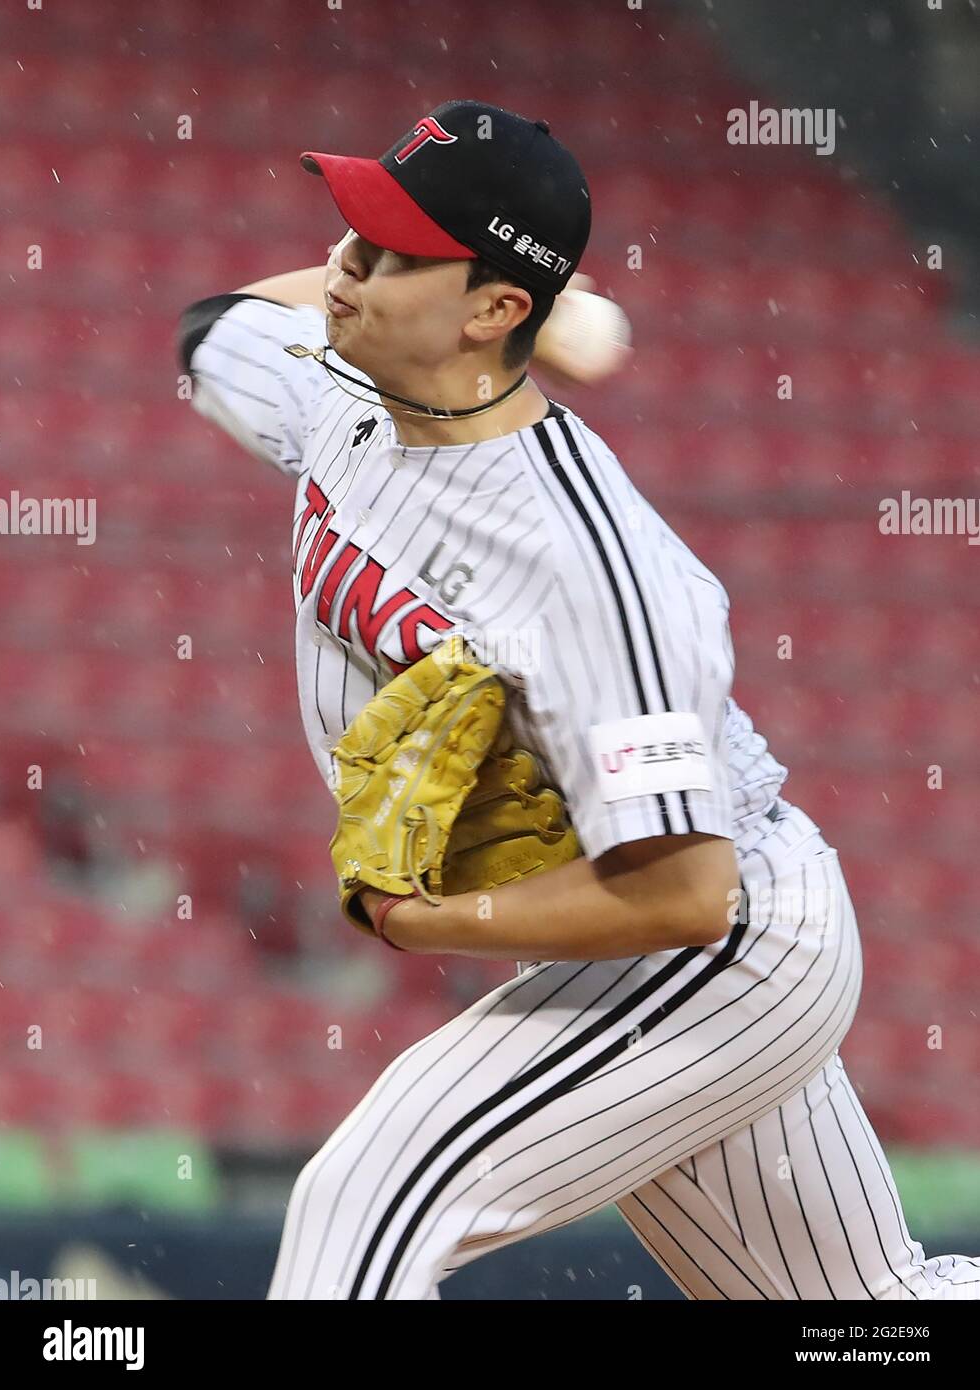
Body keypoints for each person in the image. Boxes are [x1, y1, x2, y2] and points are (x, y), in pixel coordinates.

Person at [178, 99, 979, 1301]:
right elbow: (214, 326)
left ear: (494, 309)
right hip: (632, 943)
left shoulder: (592, 565)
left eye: (392, 255)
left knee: (368, 1205)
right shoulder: (334, 394)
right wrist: (511, 307)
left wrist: (421, 923)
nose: (342, 274)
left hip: (729, 949)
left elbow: (685, 890)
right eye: (350, 235)